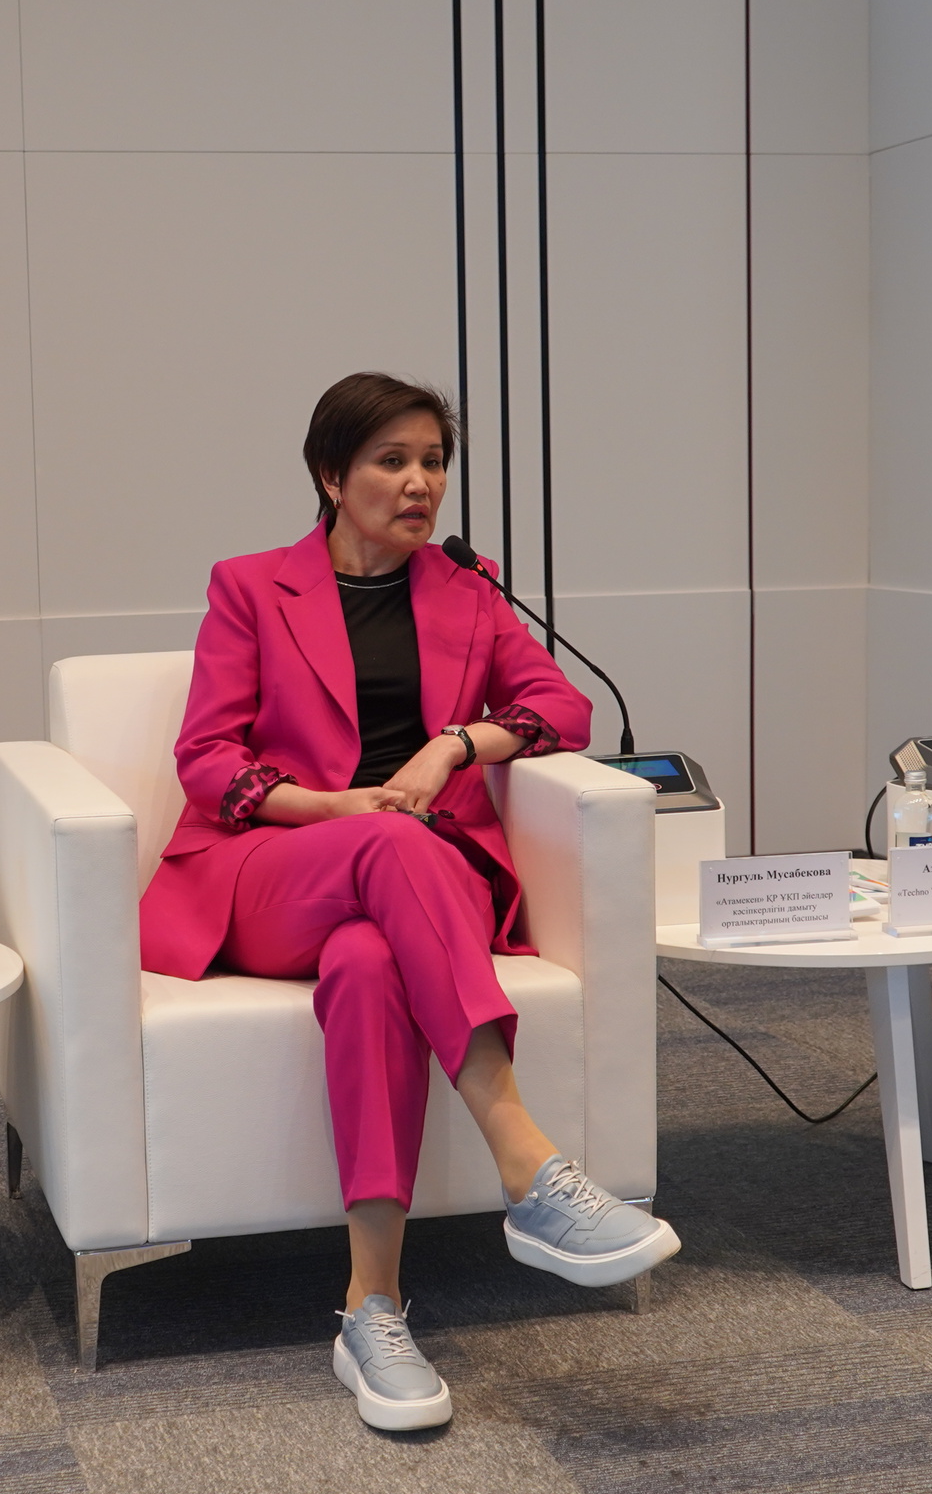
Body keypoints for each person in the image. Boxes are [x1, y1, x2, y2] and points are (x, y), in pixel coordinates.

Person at [143, 373, 681, 1432]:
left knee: (369, 963)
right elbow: (206, 756)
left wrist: (456, 744)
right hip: (278, 867)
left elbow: (562, 706)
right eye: (391, 461)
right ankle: (527, 1160)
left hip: (414, 888)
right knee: (388, 840)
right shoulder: (251, 587)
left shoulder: (466, 590)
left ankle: (371, 1309)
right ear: (331, 475)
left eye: (433, 461)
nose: (420, 482)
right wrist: (334, 806)